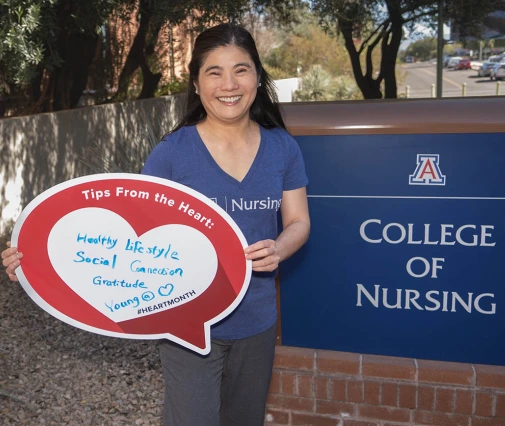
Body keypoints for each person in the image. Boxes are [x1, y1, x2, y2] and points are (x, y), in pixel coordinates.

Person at [2, 23, 310, 426]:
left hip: (257, 322)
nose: (228, 83)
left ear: (257, 76)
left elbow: (299, 221)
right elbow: (128, 246)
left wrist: (281, 247)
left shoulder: (283, 147)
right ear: (196, 84)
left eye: (241, 69)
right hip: (185, 323)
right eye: (214, 72)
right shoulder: (172, 153)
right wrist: (36, 262)